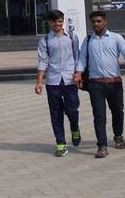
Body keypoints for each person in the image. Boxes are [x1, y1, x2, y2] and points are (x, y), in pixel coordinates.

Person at [74, 11, 125, 159]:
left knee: (117, 111)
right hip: (96, 84)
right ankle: (102, 145)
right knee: (99, 115)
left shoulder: (116, 38)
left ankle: (118, 135)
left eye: (98, 21)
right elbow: (82, 59)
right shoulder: (88, 40)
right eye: (93, 22)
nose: (95, 24)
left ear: (105, 22)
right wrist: (78, 73)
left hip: (114, 82)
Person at [35, 9, 82, 157]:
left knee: (72, 110)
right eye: (54, 21)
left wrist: (78, 75)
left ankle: (75, 128)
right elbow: (43, 62)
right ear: (49, 23)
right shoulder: (45, 41)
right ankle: (60, 143)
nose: (58, 24)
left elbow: (77, 57)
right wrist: (39, 82)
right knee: (56, 114)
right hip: (53, 81)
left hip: (69, 80)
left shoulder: (72, 37)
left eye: (60, 21)